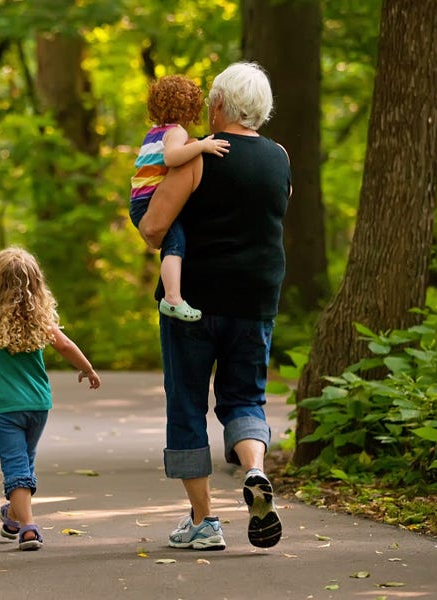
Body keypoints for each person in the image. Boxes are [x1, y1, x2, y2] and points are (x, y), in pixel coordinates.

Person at [137, 62, 290, 551]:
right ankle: (256, 470)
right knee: (245, 398)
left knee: (186, 405)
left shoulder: (197, 158)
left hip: (194, 303)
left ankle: (205, 522)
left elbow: (153, 228)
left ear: (220, 104)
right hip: (255, 301)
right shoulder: (281, 158)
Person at [0, 247, 101, 551]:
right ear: (35, 284)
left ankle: (28, 527)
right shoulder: (38, 318)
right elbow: (65, 346)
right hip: (38, 404)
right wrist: (87, 368)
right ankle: (14, 515)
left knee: (16, 466)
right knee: (24, 463)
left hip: (4, 406)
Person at [130, 74, 231, 323]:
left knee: (173, 244)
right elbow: (172, 158)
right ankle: (173, 298)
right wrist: (201, 147)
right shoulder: (176, 132)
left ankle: (173, 296)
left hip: (139, 203)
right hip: (149, 202)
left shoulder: (154, 132)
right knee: (175, 245)